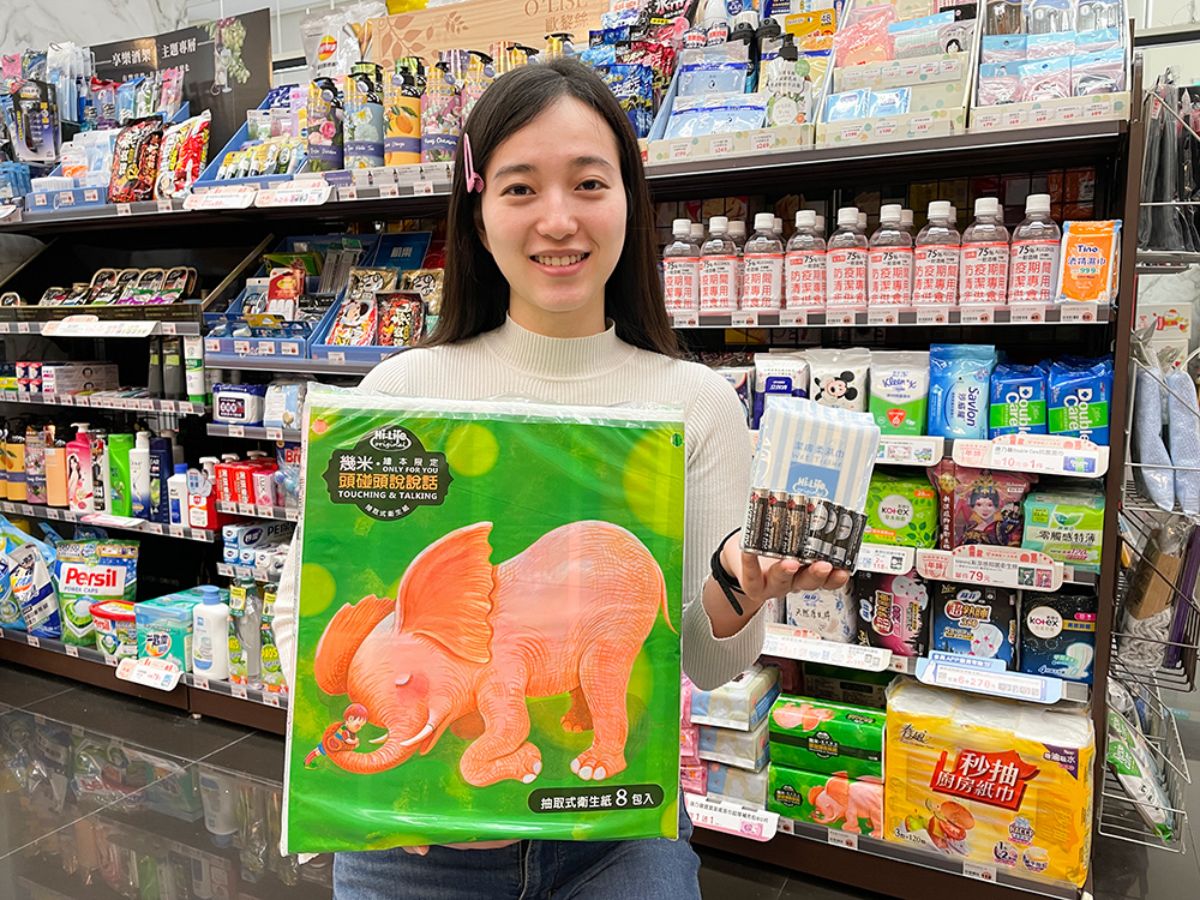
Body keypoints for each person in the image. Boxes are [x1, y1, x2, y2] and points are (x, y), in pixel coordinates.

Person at [272, 57, 849, 900]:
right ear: (476, 213)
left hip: (614, 834)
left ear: (630, 201)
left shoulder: (696, 403)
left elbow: (704, 660)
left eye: (588, 184)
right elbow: (300, 608)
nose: (558, 219)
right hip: (415, 846)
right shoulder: (400, 391)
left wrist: (741, 585)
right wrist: (387, 787)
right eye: (519, 188)